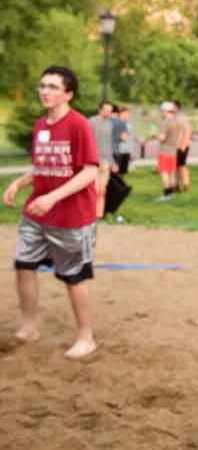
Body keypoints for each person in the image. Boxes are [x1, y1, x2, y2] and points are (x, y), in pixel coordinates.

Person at [2, 66, 100, 359]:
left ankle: (86, 337)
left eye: (53, 87)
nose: (45, 91)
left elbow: (90, 171)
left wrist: (53, 198)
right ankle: (29, 327)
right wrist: (19, 182)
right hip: (37, 213)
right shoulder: (40, 125)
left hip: (71, 218)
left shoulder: (78, 124)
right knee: (24, 265)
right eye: (43, 85)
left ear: (68, 94)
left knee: (73, 277)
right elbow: (44, 165)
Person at [87, 101, 115, 219]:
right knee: (93, 189)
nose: (109, 113)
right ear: (100, 110)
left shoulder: (109, 124)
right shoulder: (91, 122)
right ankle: (89, 213)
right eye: (106, 110)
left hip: (105, 161)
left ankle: (99, 214)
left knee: (102, 190)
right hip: (92, 161)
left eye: (110, 111)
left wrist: (112, 161)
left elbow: (109, 144)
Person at [152, 102, 181, 201]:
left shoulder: (165, 123)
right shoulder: (176, 122)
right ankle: (171, 193)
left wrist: (154, 135)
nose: (161, 113)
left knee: (164, 173)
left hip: (165, 151)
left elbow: (162, 138)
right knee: (172, 173)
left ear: (165, 111)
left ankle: (166, 194)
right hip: (173, 151)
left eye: (162, 111)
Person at [172, 99, 192, 192]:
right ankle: (176, 185)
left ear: (177, 107)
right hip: (173, 146)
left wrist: (183, 144)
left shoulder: (182, 117)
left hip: (181, 145)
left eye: (172, 106)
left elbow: (188, 131)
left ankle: (186, 185)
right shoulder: (172, 117)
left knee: (182, 166)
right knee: (175, 166)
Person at [113, 106, 134, 176]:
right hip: (118, 151)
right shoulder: (116, 123)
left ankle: (120, 186)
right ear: (121, 113)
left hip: (126, 151)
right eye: (126, 113)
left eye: (129, 114)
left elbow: (130, 140)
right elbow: (122, 138)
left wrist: (131, 151)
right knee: (116, 173)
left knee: (122, 173)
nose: (128, 115)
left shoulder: (129, 125)